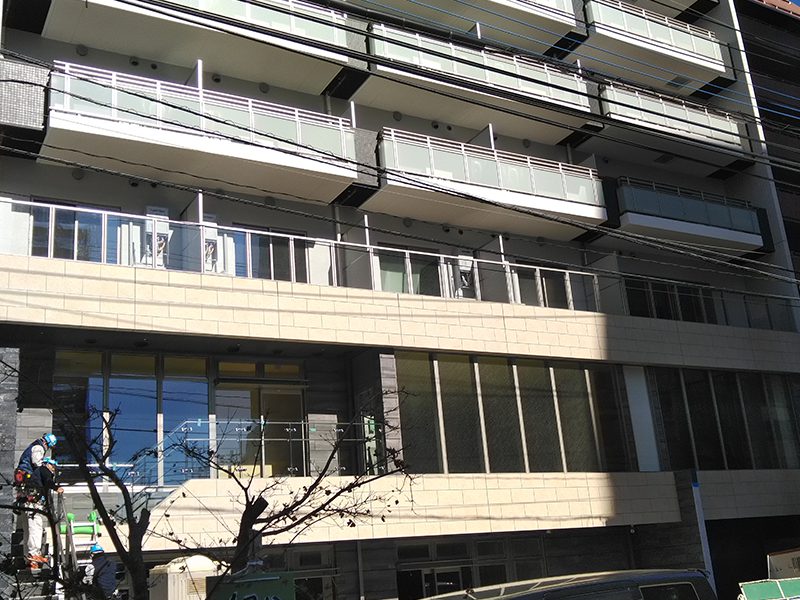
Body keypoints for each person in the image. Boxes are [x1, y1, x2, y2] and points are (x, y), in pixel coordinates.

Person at [21, 457, 63, 570]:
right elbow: (48, 481)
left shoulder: (36, 473)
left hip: (27, 504)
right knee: (36, 528)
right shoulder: (44, 470)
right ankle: (34, 554)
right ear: (47, 464)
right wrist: (56, 487)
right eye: (53, 466)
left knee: (28, 531)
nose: (53, 469)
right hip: (34, 506)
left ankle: (28, 557)